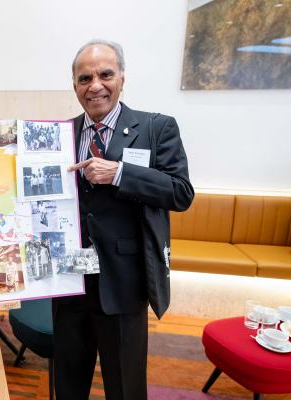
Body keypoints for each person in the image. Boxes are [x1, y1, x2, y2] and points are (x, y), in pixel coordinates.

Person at [52, 40, 194, 400]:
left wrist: (120, 173)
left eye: (105, 74)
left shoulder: (156, 128)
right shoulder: (59, 135)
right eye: (85, 78)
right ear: (74, 85)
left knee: (125, 386)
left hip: (124, 282)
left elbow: (180, 193)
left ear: (122, 78)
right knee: (67, 381)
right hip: (70, 280)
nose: (95, 85)